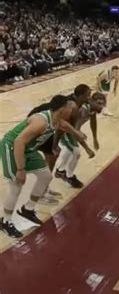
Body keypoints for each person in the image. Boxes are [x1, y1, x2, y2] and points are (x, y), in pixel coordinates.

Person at [0, 95, 73, 238]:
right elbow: (18, 141)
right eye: (69, 107)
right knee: (17, 186)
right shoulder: (41, 121)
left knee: (46, 176)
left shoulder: (56, 119)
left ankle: (28, 209)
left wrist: (77, 133)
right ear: (62, 109)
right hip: (12, 146)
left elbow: (64, 125)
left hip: (27, 149)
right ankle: (5, 222)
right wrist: (21, 169)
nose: (72, 110)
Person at [27, 84, 91, 204]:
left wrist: (58, 143)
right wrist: (55, 145)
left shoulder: (75, 105)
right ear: (81, 96)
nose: (90, 97)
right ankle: (39, 193)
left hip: (48, 122)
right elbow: (61, 128)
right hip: (40, 122)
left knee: (53, 156)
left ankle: (44, 188)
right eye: (88, 95)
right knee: (51, 156)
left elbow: (65, 127)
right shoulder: (72, 106)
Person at [55, 92, 106, 188]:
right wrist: (87, 149)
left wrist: (95, 138)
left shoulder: (92, 109)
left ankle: (60, 171)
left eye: (103, 104)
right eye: (99, 103)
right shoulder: (83, 110)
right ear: (92, 101)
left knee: (70, 151)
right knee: (75, 152)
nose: (101, 106)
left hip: (70, 129)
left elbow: (93, 122)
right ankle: (68, 176)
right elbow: (76, 131)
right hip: (64, 129)